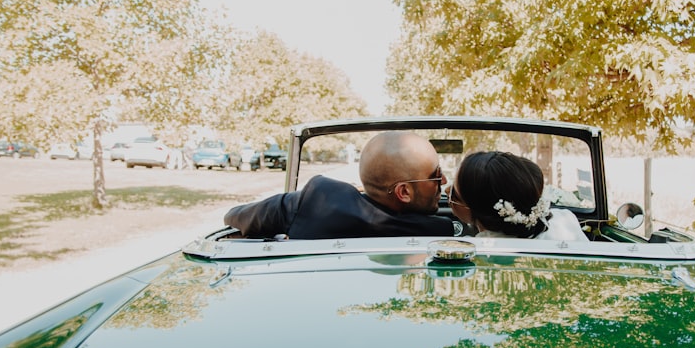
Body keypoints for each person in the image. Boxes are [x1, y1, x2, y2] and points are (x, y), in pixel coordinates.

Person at [224, 131, 455, 239]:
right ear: (403, 192)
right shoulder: (441, 232)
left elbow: (235, 217)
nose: (444, 182)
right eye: (436, 176)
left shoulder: (316, 203)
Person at [448, 151, 588, 241]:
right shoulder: (564, 220)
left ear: (473, 208)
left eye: (454, 193)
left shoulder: (475, 252)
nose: (446, 191)